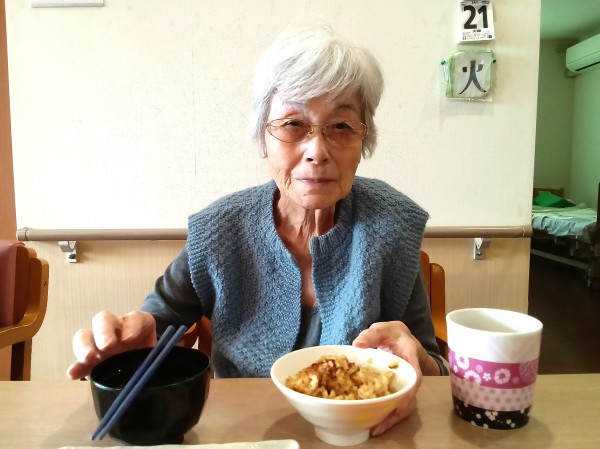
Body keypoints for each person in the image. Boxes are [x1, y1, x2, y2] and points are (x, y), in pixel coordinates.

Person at [67, 23, 448, 436]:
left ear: (363, 140)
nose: (317, 151)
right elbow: (154, 326)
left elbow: (433, 367)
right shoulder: (221, 229)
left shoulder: (390, 226)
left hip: (361, 435)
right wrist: (128, 347)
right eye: (293, 124)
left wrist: (420, 365)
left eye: (341, 126)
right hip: (246, 432)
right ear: (263, 138)